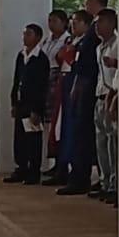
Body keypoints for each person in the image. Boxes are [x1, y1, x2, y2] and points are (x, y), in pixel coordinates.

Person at [58, 0, 108, 196]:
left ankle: (82, 176)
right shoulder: (92, 29)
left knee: (85, 134)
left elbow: (88, 64)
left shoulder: (97, 29)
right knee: (83, 133)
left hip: (89, 85)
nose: (86, 1)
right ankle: (82, 174)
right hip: (83, 82)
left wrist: (80, 85)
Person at [45, 10, 93, 190]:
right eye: (73, 21)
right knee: (61, 126)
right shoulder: (70, 41)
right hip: (64, 82)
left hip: (75, 82)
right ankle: (61, 166)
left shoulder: (84, 42)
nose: (74, 25)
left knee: (75, 129)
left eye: (77, 22)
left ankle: (76, 173)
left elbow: (73, 60)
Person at [4, 24, 50, 186]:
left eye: (28, 34)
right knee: (20, 138)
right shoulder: (21, 56)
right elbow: (16, 80)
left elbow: (42, 86)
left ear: (37, 37)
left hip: (33, 105)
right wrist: (13, 102)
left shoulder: (41, 59)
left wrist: (37, 109)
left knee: (33, 139)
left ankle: (33, 171)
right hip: (21, 103)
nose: (24, 37)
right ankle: (21, 167)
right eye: (24, 34)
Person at [91, 8, 119, 205]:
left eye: (101, 22)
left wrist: (115, 63)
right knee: (101, 142)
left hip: (113, 96)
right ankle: (105, 181)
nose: (97, 26)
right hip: (100, 95)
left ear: (111, 23)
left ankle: (115, 185)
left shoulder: (118, 45)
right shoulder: (99, 47)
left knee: (113, 143)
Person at [41, 10, 70, 174]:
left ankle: (61, 163)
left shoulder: (66, 40)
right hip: (46, 78)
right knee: (49, 122)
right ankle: (53, 161)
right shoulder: (47, 40)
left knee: (58, 121)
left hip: (57, 77)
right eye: (49, 20)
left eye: (54, 21)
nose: (51, 24)